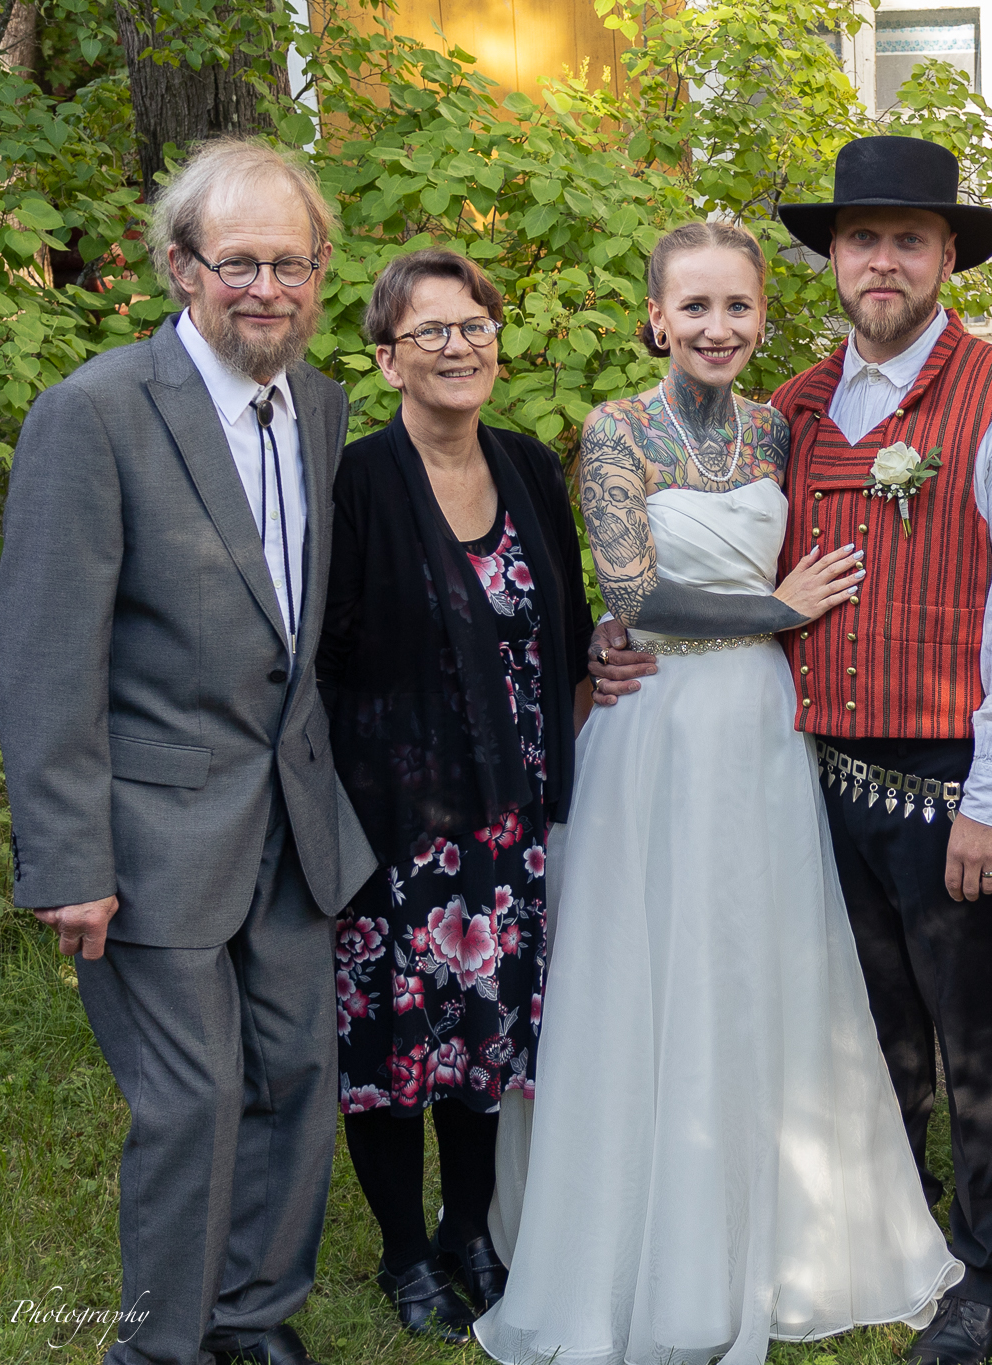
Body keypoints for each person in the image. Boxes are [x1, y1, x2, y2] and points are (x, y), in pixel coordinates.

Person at [595, 136, 992, 1363]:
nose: (881, 261)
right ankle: (887, 1230)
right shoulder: (794, 411)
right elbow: (711, 569)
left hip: (946, 781)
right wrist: (614, 638)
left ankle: (987, 1270)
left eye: (907, 241)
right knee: (862, 1029)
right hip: (804, 773)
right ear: (830, 260)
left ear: (945, 258)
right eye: (860, 239)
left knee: (977, 1034)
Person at [474, 220, 963, 1365]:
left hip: (760, 729)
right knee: (649, 967)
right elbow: (633, 595)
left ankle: (782, 1232)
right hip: (657, 725)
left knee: (761, 962)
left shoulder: (777, 428)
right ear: (656, 318)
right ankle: (634, 1236)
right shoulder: (615, 431)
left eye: (736, 306)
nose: (715, 327)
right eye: (692, 307)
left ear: (760, 317)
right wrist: (777, 612)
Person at [0, 137, 376, 1365]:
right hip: (152, 832)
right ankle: (159, 1348)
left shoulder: (320, 406)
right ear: (180, 267)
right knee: (194, 1098)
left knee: (296, 1079)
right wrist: (67, 861)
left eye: (289, 264)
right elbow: (46, 657)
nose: (265, 288)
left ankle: (252, 1323)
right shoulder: (96, 413)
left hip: (291, 822)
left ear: (319, 273)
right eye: (238, 263)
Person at [316, 249, 595, 1343]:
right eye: (430, 331)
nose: (458, 347)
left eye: (475, 325)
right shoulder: (356, 482)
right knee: (394, 1049)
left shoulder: (527, 465)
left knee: (486, 1035)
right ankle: (402, 1252)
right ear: (388, 360)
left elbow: (567, 628)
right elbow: (322, 657)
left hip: (509, 820)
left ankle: (469, 1230)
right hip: (394, 825)